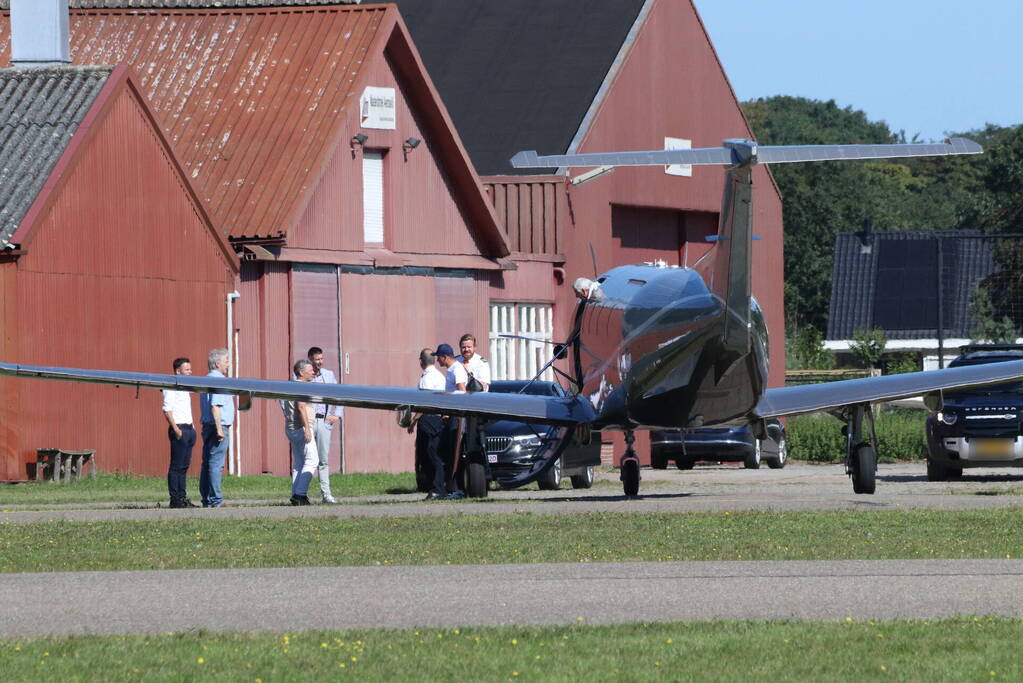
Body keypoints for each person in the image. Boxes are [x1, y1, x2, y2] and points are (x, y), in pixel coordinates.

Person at [199, 348, 235, 508]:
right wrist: (220, 429)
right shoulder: (219, 380)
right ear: (218, 363)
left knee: (207, 463)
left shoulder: (206, 379)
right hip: (217, 426)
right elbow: (215, 406)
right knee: (216, 464)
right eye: (226, 361)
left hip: (208, 426)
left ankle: (207, 498)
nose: (228, 364)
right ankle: (216, 500)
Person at [409, 348, 446, 500]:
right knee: (433, 453)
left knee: (429, 455)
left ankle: (436, 488)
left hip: (428, 419)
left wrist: (414, 420)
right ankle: (436, 487)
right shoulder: (440, 376)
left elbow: (425, 403)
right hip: (438, 419)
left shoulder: (427, 378)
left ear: (421, 361)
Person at [161, 357, 196, 508]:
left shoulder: (185, 387)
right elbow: (167, 410)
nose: (190, 372)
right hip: (179, 429)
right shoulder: (171, 386)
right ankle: (175, 499)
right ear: (177, 371)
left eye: (190, 369)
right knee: (176, 466)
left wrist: (193, 427)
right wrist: (176, 430)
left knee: (184, 466)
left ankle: (182, 497)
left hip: (189, 428)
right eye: (187, 370)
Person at [307, 346, 340, 504]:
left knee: (323, 460)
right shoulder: (302, 374)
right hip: (308, 422)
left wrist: (336, 415)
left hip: (323, 421)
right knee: (306, 459)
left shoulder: (328, 375)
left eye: (321, 359)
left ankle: (326, 494)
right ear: (310, 359)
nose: (320, 362)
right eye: (317, 359)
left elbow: (339, 395)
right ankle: (300, 494)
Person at [434, 343, 467, 498]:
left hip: (457, 416)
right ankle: (450, 487)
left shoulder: (457, 369)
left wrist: (452, 411)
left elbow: (461, 392)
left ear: (444, 357)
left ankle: (457, 488)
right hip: (451, 415)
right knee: (446, 452)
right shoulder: (450, 370)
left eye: (438, 357)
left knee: (455, 453)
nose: (437, 361)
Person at [285, 359, 319, 505]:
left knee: (300, 462)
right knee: (313, 461)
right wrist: (307, 429)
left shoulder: (291, 385)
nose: (313, 372)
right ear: (301, 372)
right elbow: (301, 407)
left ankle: (295, 494)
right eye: (310, 370)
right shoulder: (301, 386)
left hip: (291, 428)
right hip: (302, 428)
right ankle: (300, 494)